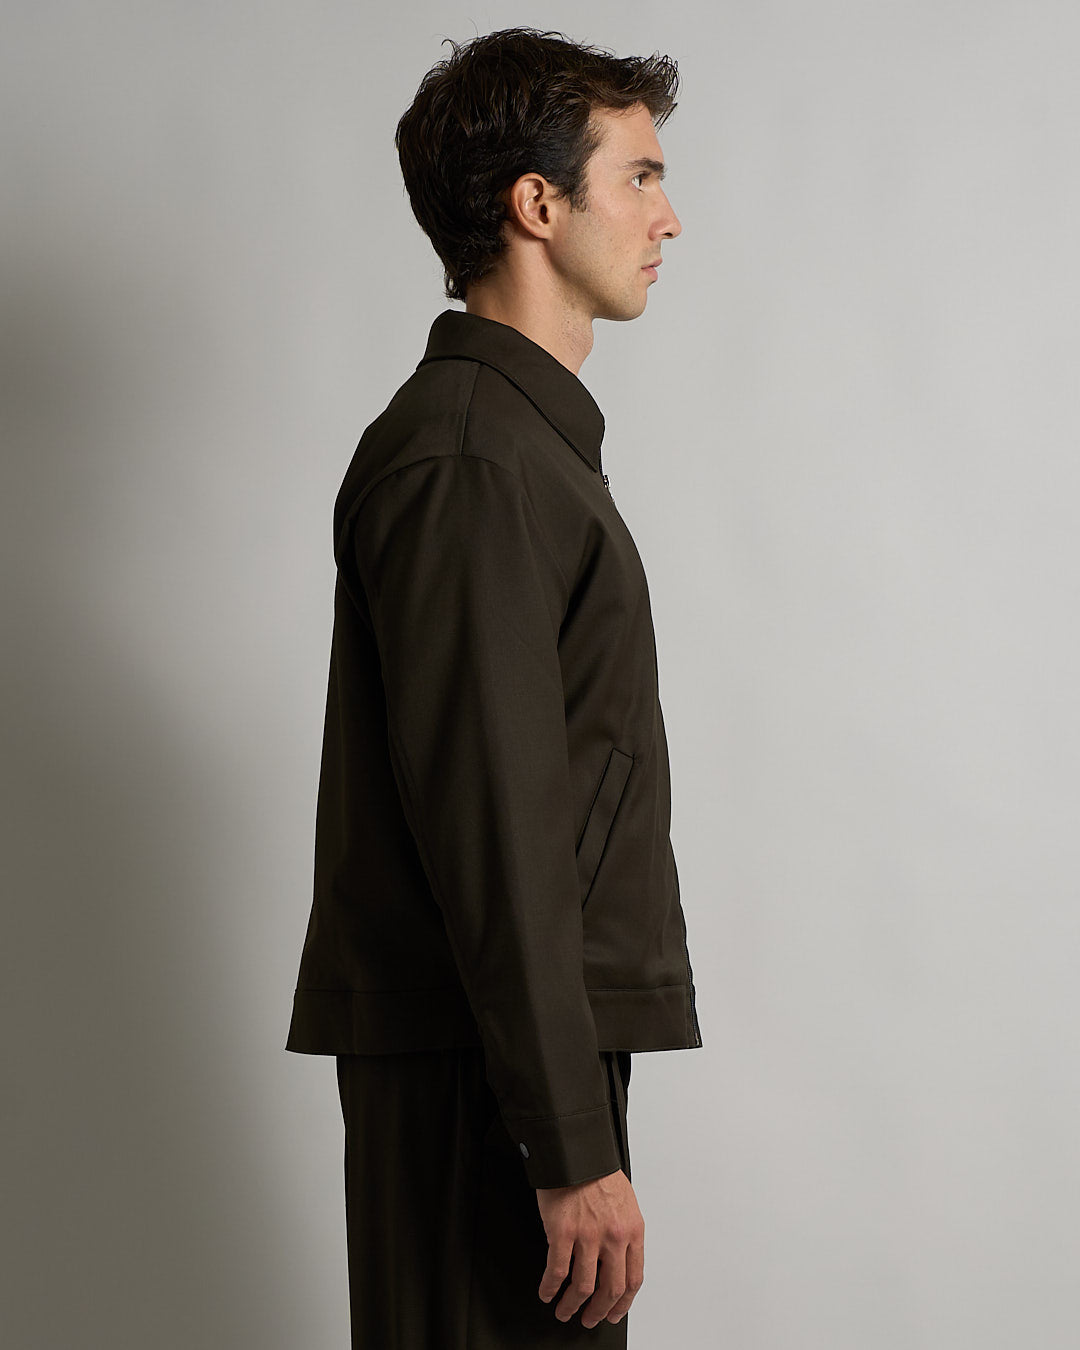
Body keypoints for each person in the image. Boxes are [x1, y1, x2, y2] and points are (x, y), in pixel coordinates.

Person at [285, 25, 703, 1348]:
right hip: (489, 1072)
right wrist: (568, 1141)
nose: (668, 217)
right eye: (639, 176)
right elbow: (496, 821)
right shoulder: (473, 460)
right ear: (538, 204)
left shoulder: (516, 447)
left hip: (512, 1054)